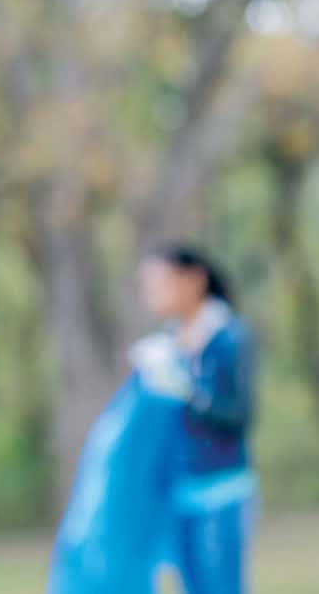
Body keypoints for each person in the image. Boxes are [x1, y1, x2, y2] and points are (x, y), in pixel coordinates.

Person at [49, 245, 257, 593]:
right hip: (173, 494)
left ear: (193, 280)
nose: (151, 295)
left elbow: (239, 416)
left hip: (219, 492)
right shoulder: (168, 345)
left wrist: (186, 392)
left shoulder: (229, 337)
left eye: (158, 283)